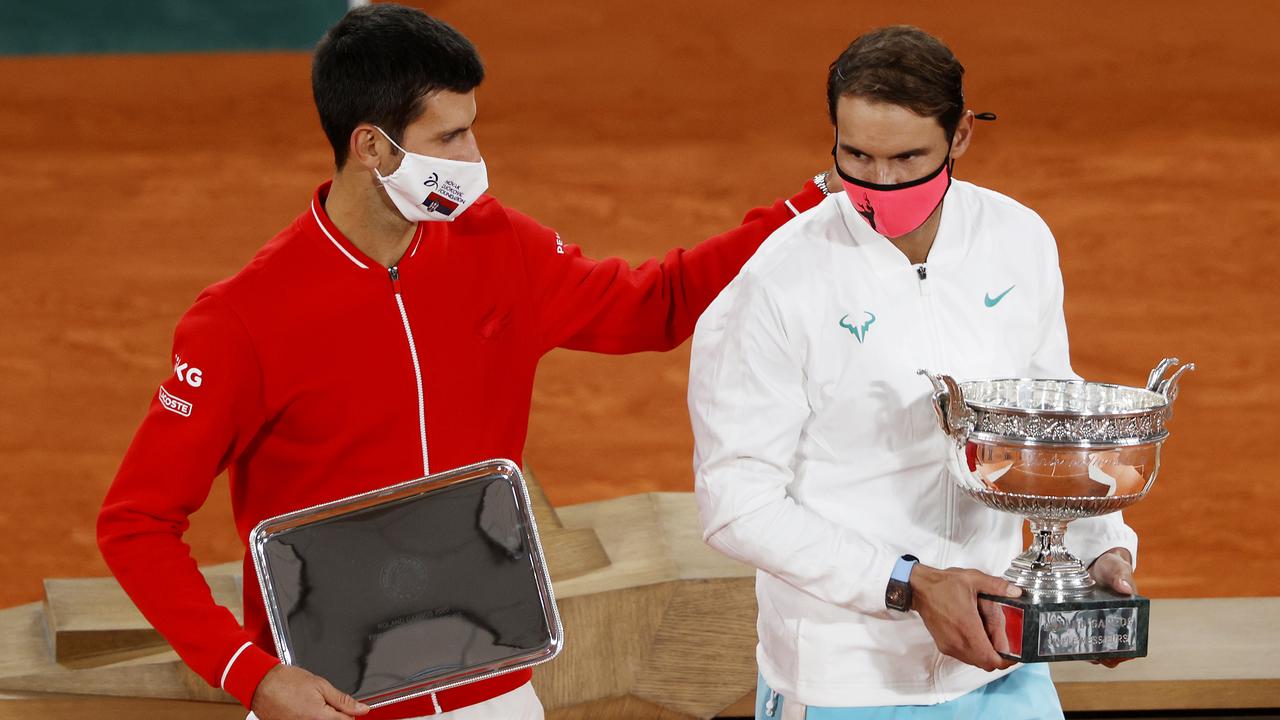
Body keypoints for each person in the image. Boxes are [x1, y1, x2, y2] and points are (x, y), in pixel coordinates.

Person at [96, 5, 827, 720]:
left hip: (492, 691)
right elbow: (136, 521)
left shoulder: (498, 245)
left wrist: (807, 208)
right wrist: (250, 676)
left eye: (472, 129)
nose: (474, 160)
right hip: (338, 704)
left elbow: (656, 304)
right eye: (449, 137)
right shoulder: (243, 319)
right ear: (372, 148)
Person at [688, 25, 1138, 720]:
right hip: (847, 683)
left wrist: (1099, 549)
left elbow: (1055, 419)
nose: (880, 184)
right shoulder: (776, 284)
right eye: (856, 156)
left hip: (1000, 665)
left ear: (960, 137)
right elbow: (737, 502)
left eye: (907, 157)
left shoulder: (1018, 239)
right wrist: (910, 583)